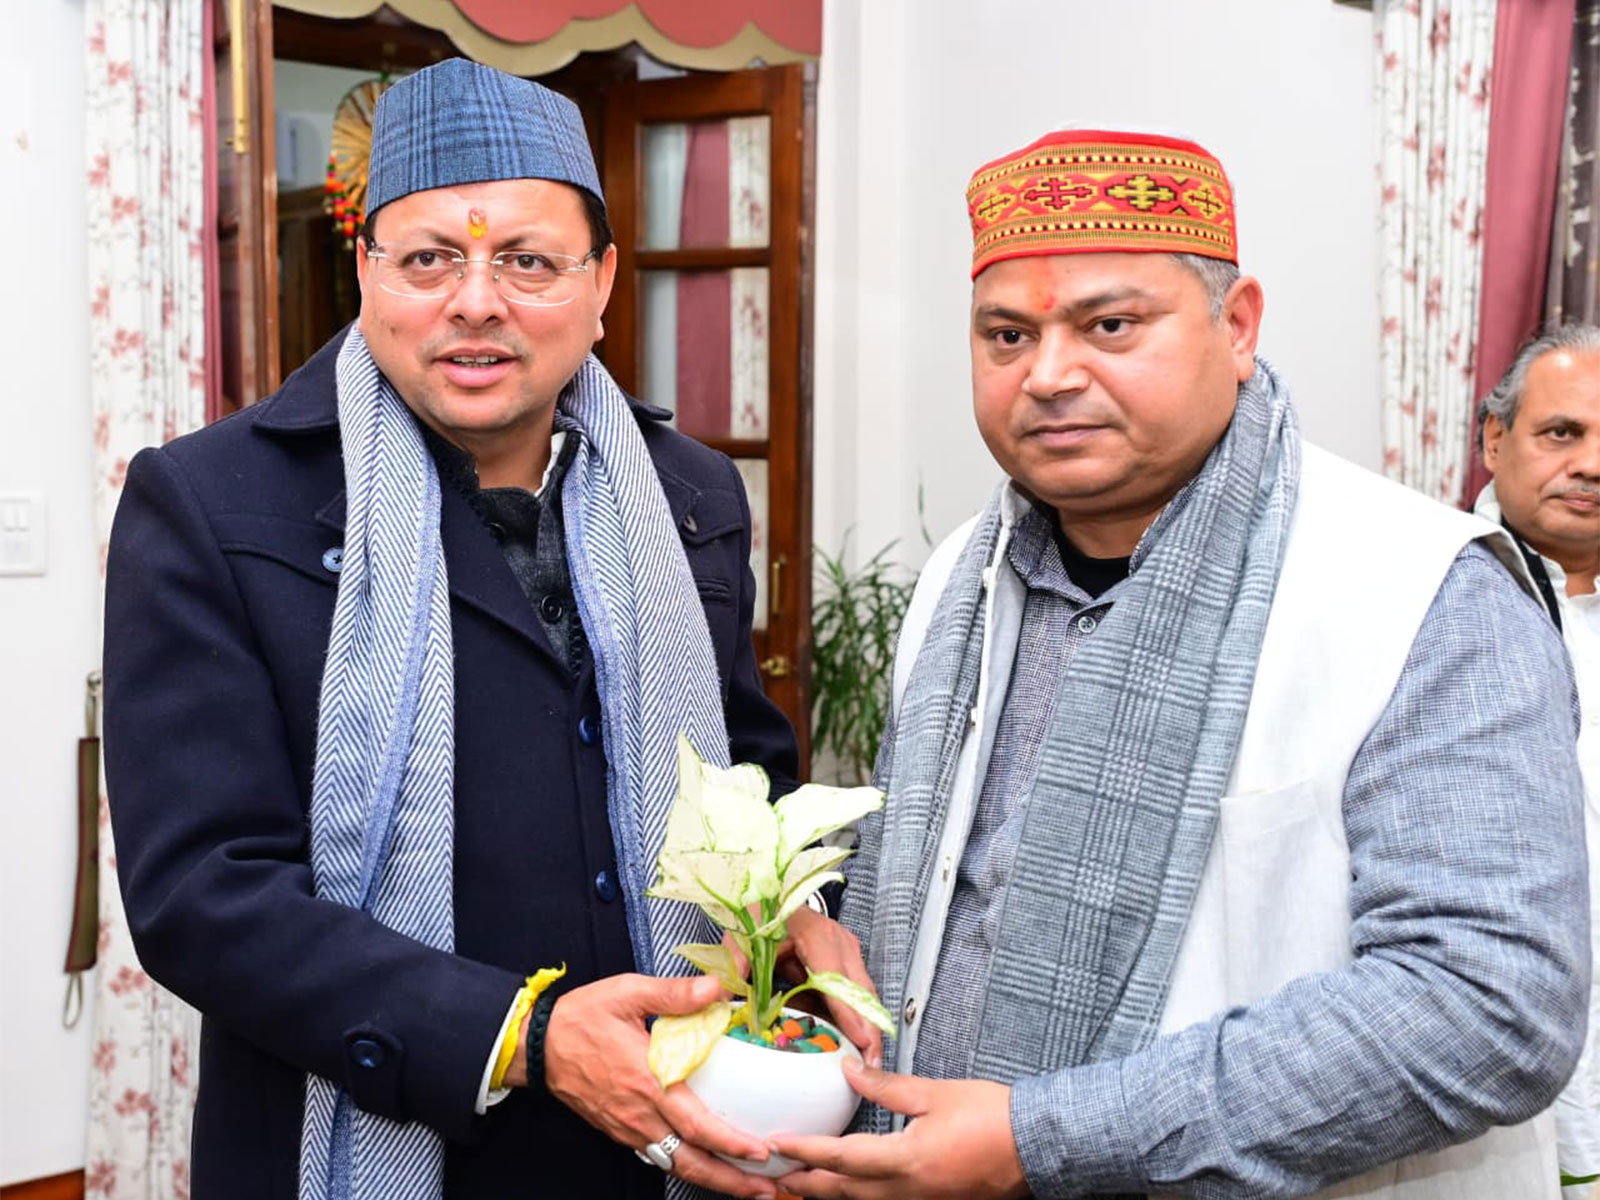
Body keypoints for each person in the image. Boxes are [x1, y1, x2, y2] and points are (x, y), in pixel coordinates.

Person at [770, 130, 1592, 1200]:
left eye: (1110, 325)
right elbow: (942, 903)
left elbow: (1488, 1007)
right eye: (1006, 335)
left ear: (1237, 325)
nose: (1050, 374)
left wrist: (1041, 1138)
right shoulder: (956, 583)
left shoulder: (1419, 590)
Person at [102, 58, 848, 1200]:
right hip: (383, 1125)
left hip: (669, 1131)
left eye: (529, 261)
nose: (476, 301)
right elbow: (205, 897)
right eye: (429, 258)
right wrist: (527, 1035)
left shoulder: (689, 493)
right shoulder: (212, 504)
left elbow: (743, 775)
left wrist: (798, 908)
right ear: (367, 272)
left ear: (602, 283)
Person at [1474, 325, 1600, 1197]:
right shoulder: (1412, 594)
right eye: (1563, 433)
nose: (1592, 464)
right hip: (1490, 1090)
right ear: (1494, 439)